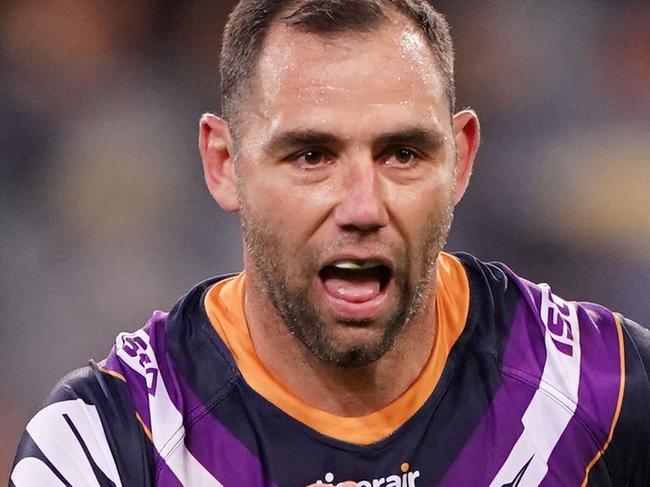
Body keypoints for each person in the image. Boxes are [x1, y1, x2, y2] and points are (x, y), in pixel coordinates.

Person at [10, 0, 650, 486]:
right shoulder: (108, 446)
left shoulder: (604, 390)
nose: (363, 207)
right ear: (224, 162)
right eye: (312, 155)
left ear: (459, 161)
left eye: (402, 153)